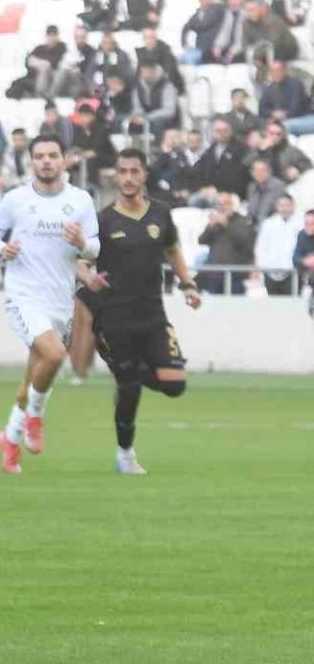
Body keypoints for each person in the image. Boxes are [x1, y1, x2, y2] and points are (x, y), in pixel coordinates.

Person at [74, 149, 200, 475]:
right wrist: (88, 278)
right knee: (129, 390)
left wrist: (188, 284)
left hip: (153, 316)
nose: (128, 178)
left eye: (134, 171)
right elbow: (80, 263)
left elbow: (173, 249)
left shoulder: (161, 213)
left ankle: (128, 374)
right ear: (116, 176)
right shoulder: (102, 220)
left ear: (144, 175)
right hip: (113, 318)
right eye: (123, 172)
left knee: (175, 383)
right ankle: (125, 454)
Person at [0, 134, 99, 474]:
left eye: (52, 155)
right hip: (24, 296)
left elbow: (95, 248)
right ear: (32, 162)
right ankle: (35, 416)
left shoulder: (80, 200)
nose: (46, 161)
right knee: (56, 355)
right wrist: (0, 250)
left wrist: (82, 242)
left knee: (35, 375)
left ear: (63, 160)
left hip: (59, 300)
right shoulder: (16, 199)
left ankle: (9, 439)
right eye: (40, 156)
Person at [197, 192, 255, 295]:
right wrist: (210, 226)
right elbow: (201, 240)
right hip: (215, 272)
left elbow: (245, 241)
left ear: (231, 205)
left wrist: (226, 225)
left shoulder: (241, 220)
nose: (222, 207)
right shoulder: (215, 223)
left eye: (225, 204)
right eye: (219, 204)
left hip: (235, 273)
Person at [191, 118, 250, 202]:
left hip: (232, 194)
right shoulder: (210, 151)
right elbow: (200, 172)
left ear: (230, 131)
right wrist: (203, 188)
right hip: (211, 193)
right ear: (213, 133)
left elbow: (239, 176)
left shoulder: (241, 149)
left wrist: (219, 191)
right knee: (193, 200)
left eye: (225, 131)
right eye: (218, 131)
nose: (222, 133)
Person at [255, 194, 301, 295]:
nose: (284, 208)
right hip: (270, 271)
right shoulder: (268, 223)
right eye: (281, 205)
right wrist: (263, 267)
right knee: (274, 302)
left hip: (292, 272)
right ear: (277, 206)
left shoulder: (300, 223)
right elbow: (261, 247)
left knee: (292, 302)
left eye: (287, 205)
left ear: (293, 205)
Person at [258, 60, 314, 135]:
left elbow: (295, 109)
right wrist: (273, 114)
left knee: (282, 126)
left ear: (285, 71)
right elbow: (261, 109)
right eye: (273, 71)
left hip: (302, 118)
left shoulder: (296, 84)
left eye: (278, 70)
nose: (275, 73)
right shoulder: (268, 89)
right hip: (281, 121)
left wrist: (280, 116)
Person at [242, 0, 299, 65]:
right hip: (263, 50)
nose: (250, 13)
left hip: (284, 50)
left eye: (253, 10)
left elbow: (272, 44)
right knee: (240, 58)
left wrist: (257, 56)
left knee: (269, 57)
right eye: (247, 10)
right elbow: (245, 44)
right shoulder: (247, 23)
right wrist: (252, 54)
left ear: (261, 9)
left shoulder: (274, 21)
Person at [134, 61, 179, 140]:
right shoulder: (139, 86)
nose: (145, 75)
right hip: (145, 118)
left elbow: (169, 111)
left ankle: (158, 146)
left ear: (154, 72)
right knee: (129, 122)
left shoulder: (167, 85)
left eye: (148, 72)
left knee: (158, 124)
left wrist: (147, 117)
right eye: (143, 72)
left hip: (165, 120)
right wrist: (138, 115)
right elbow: (137, 105)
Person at [180, 0, 225, 65]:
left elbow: (206, 23)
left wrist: (195, 25)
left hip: (211, 49)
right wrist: (184, 44)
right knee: (180, 60)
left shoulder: (217, 9)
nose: (202, 0)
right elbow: (186, 27)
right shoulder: (198, 13)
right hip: (200, 48)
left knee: (190, 60)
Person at [149, 129, 195, 205]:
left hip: (182, 192)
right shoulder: (156, 153)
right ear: (164, 139)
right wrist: (165, 153)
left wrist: (186, 190)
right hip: (164, 192)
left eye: (176, 137)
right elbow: (155, 172)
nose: (173, 140)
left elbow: (188, 174)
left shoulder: (182, 155)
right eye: (171, 137)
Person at [134, 26, 184, 92]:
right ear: (144, 40)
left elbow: (170, 73)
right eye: (147, 38)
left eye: (152, 38)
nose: (150, 40)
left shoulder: (166, 52)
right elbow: (138, 75)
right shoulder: (142, 53)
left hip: (166, 88)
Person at [245, 158, 288, 224]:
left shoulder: (278, 186)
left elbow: (280, 211)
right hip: (253, 225)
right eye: (256, 170)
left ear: (269, 171)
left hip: (272, 224)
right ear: (252, 173)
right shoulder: (252, 187)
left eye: (262, 170)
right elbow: (250, 211)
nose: (259, 173)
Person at [296, 209, 314, 294]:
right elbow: (295, 258)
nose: (309, 226)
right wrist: (305, 261)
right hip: (308, 278)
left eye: (312, 223)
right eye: (306, 223)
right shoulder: (301, 235)